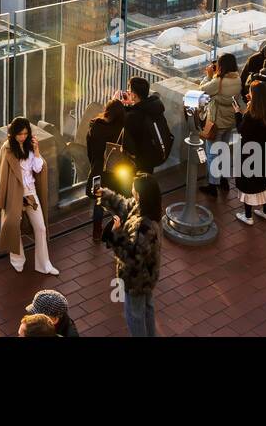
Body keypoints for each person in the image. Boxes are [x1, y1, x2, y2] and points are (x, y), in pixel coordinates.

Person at [98, 174, 162, 337]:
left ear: (139, 194)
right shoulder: (145, 208)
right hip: (147, 275)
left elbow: (131, 257)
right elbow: (123, 206)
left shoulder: (145, 227)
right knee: (147, 307)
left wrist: (116, 233)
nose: (131, 189)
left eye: (134, 187)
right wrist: (104, 195)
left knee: (134, 315)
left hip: (136, 279)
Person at [0, 116, 59, 274]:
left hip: (30, 193)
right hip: (14, 194)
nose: (22, 137)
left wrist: (36, 151)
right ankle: (17, 260)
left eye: (25, 133)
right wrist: (4, 198)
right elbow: (2, 174)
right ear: (13, 134)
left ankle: (44, 264)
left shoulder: (31, 145)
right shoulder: (7, 148)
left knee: (41, 227)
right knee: (13, 227)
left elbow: (38, 169)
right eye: (19, 134)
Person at [234, 80, 266, 225]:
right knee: (263, 183)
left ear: (253, 95)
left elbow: (242, 130)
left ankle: (248, 216)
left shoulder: (251, 115)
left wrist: (238, 113)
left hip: (249, 153)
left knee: (248, 184)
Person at [197, 53, 241, 197]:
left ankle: (213, 184)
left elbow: (202, 90)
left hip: (217, 122)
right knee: (223, 150)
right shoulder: (238, 78)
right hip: (230, 121)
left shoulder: (219, 81)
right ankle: (224, 180)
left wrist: (209, 75)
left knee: (212, 154)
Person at [85, 98, 126, 239]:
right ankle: (117, 228)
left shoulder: (95, 125)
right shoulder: (122, 129)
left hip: (98, 170)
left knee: (98, 202)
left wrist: (95, 164)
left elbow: (89, 149)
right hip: (116, 172)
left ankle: (97, 232)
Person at [121, 76, 171, 173]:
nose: (127, 91)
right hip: (151, 156)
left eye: (129, 90)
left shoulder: (134, 117)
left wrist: (118, 104)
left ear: (134, 95)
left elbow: (125, 125)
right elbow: (139, 110)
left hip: (139, 162)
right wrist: (132, 105)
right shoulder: (154, 106)